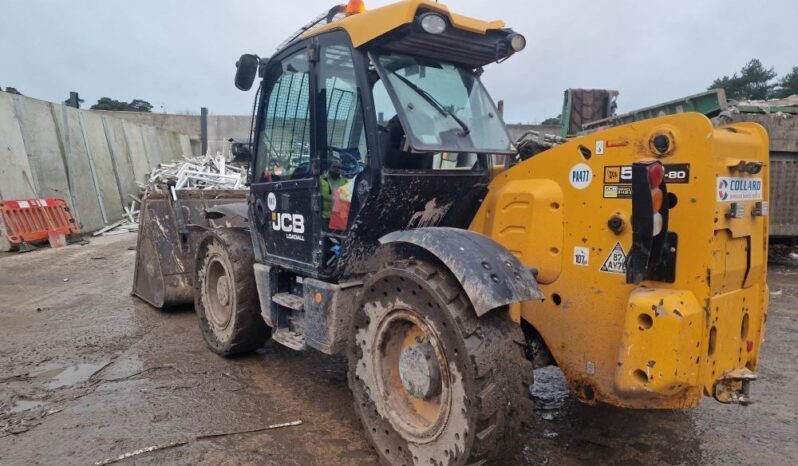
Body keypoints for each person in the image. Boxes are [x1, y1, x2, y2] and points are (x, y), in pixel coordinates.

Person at [320, 156, 343, 223]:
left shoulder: (344, 181)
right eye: (334, 167)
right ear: (329, 167)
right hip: (324, 217)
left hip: (338, 216)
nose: (336, 169)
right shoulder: (321, 180)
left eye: (338, 167)